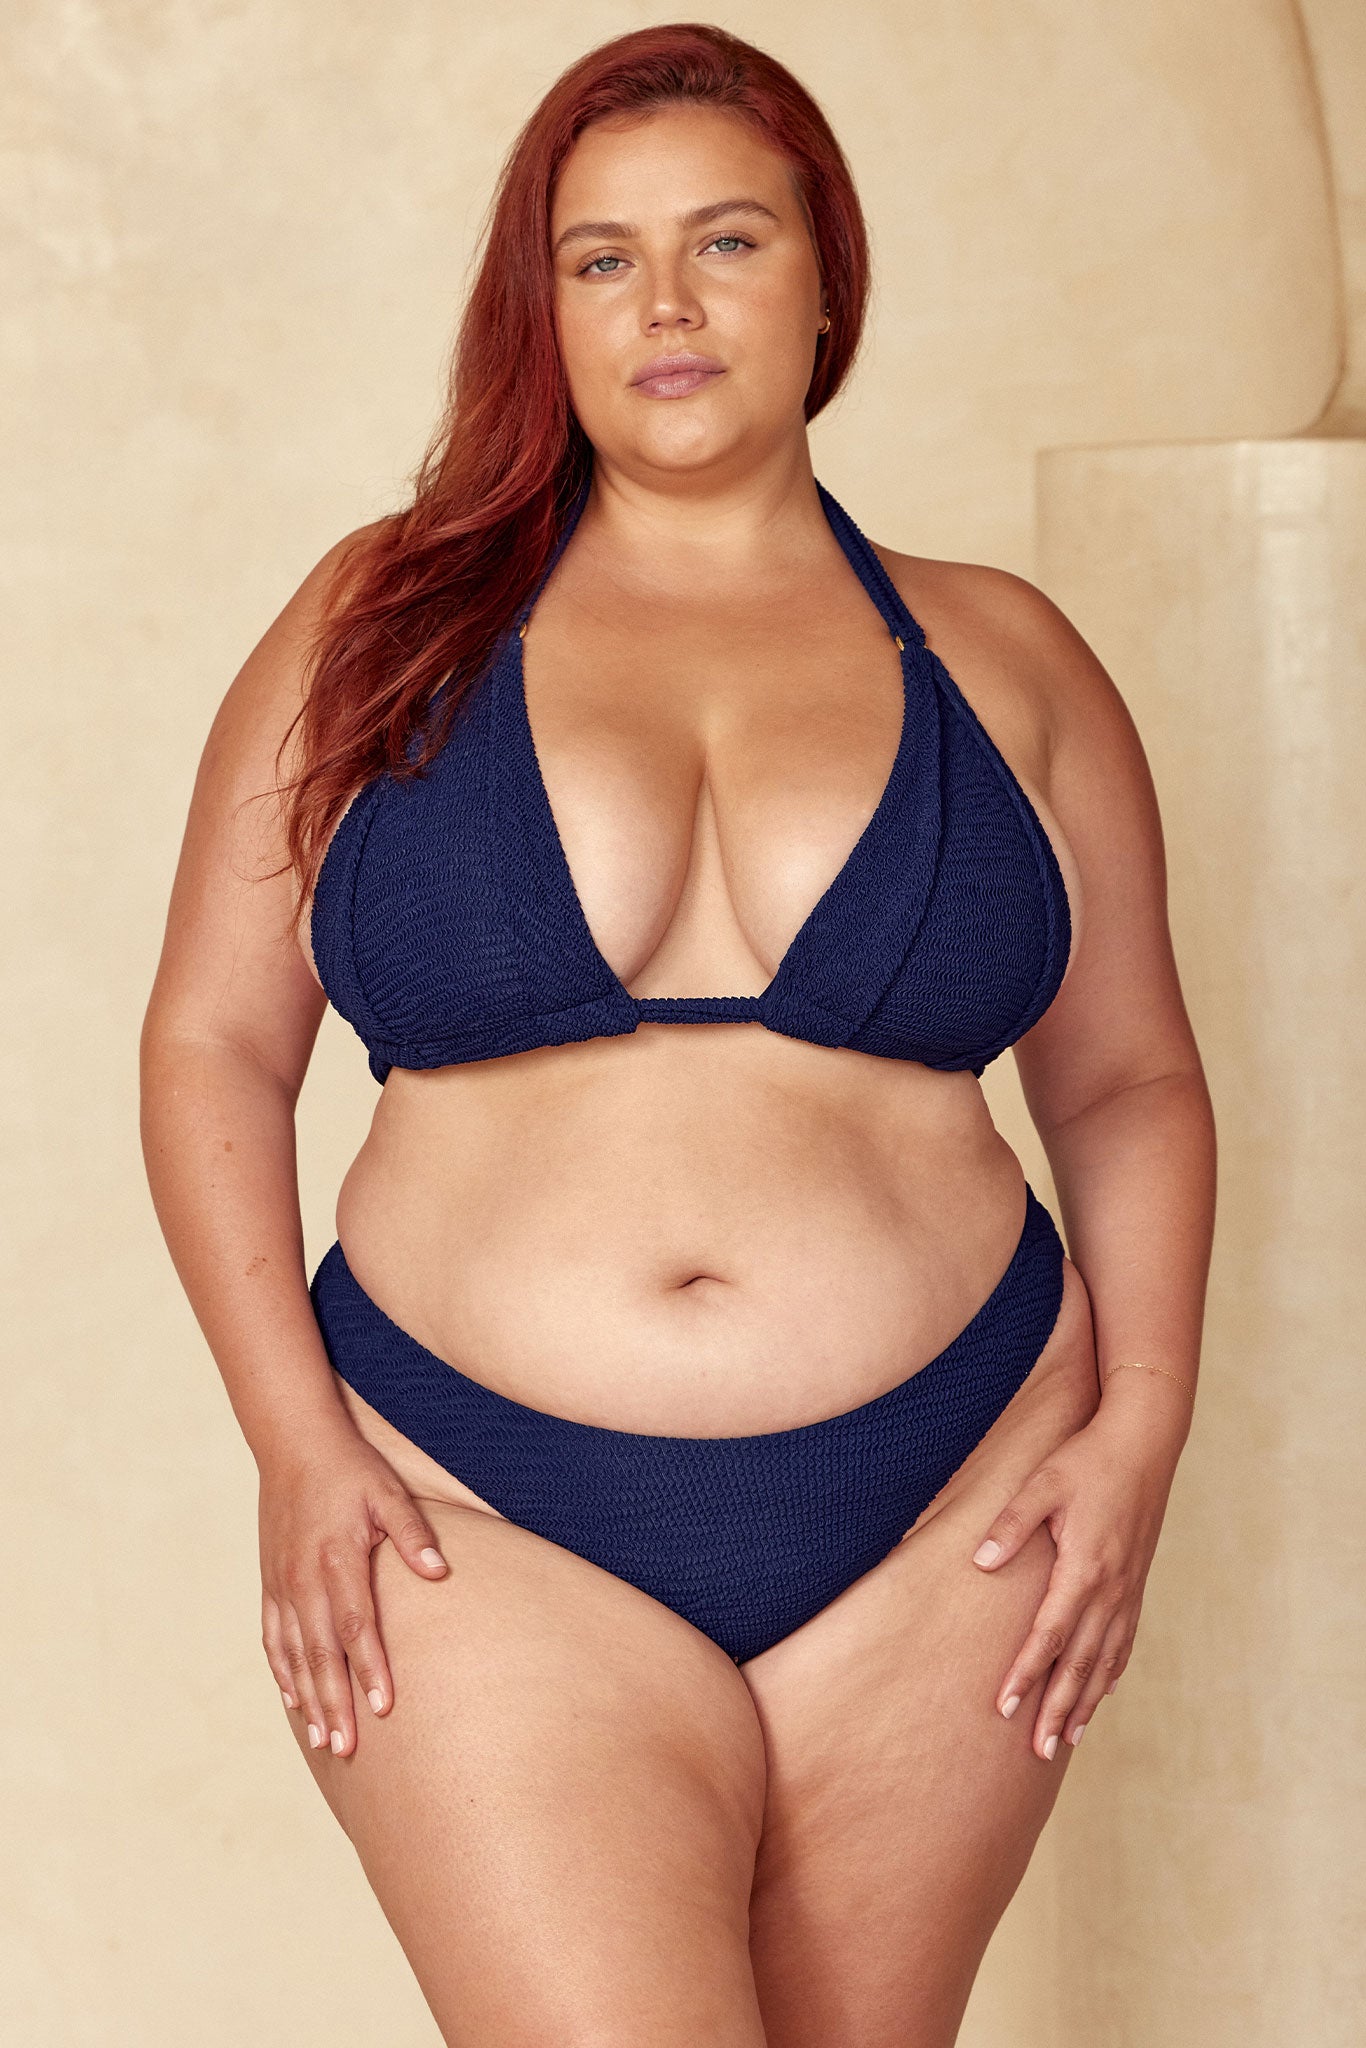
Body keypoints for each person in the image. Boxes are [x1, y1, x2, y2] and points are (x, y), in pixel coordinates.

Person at [140, 22, 1216, 2047]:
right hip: (465, 1503)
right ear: (539, 309)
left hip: (958, 1504)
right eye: (599, 257)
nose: (663, 304)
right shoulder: (379, 625)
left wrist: (1138, 1428)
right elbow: (211, 1040)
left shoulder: (1007, 654)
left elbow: (1130, 1077)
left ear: (824, 279)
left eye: (724, 240)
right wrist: (293, 1445)